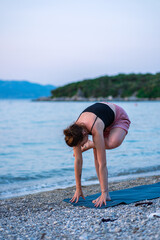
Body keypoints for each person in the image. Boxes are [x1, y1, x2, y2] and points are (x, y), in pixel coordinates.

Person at [63, 102, 131, 207]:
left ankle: (92, 144)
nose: (82, 146)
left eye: (82, 144)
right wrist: (78, 189)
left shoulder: (95, 127)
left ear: (84, 134)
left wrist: (103, 192)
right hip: (102, 120)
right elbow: (78, 161)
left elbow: (102, 164)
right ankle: (106, 194)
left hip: (118, 117)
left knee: (113, 143)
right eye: (82, 145)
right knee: (96, 154)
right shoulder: (75, 131)